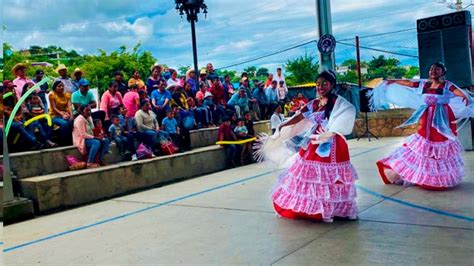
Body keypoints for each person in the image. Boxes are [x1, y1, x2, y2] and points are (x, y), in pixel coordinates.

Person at [256, 70, 358, 222]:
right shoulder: (315, 104)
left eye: (324, 83)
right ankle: (316, 209)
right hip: (314, 142)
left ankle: (332, 209)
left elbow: (348, 113)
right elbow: (298, 117)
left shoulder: (339, 103)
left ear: (332, 85)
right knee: (311, 177)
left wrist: (329, 133)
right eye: (318, 84)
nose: (320, 87)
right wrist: (281, 127)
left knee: (330, 177)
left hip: (332, 144)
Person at [374, 62, 472, 190]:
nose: (433, 71)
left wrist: (464, 96)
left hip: (442, 117)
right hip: (426, 116)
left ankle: (438, 179)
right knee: (424, 145)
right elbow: (409, 83)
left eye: (437, 69)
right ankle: (421, 176)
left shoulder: (446, 85)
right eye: (431, 69)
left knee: (440, 144)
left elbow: (458, 92)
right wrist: (393, 81)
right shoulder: (424, 84)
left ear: (443, 72)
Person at [49, 80, 73, 145]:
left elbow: (69, 106)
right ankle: (63, 142)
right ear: (55, 88)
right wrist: (62, 114)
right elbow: (54, 108)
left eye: (62, 86)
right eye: (59, 86)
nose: (61, 87)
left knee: (71, 121)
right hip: (54, 115)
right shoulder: (52, 95)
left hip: (65, 114)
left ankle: (71, 140)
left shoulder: (67, 95)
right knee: (64, 123)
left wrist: (71, 115)